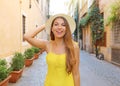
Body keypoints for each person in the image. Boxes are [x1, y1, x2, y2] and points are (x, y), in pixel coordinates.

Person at [24, 14, 80, 86]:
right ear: (52, 28)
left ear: (67, 29)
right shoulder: (47, 45)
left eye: (63, 25)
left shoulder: (74, 47)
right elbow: (27, 36)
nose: (59, 27)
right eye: (56, 24)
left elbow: (76, 74)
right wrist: (45, 25)